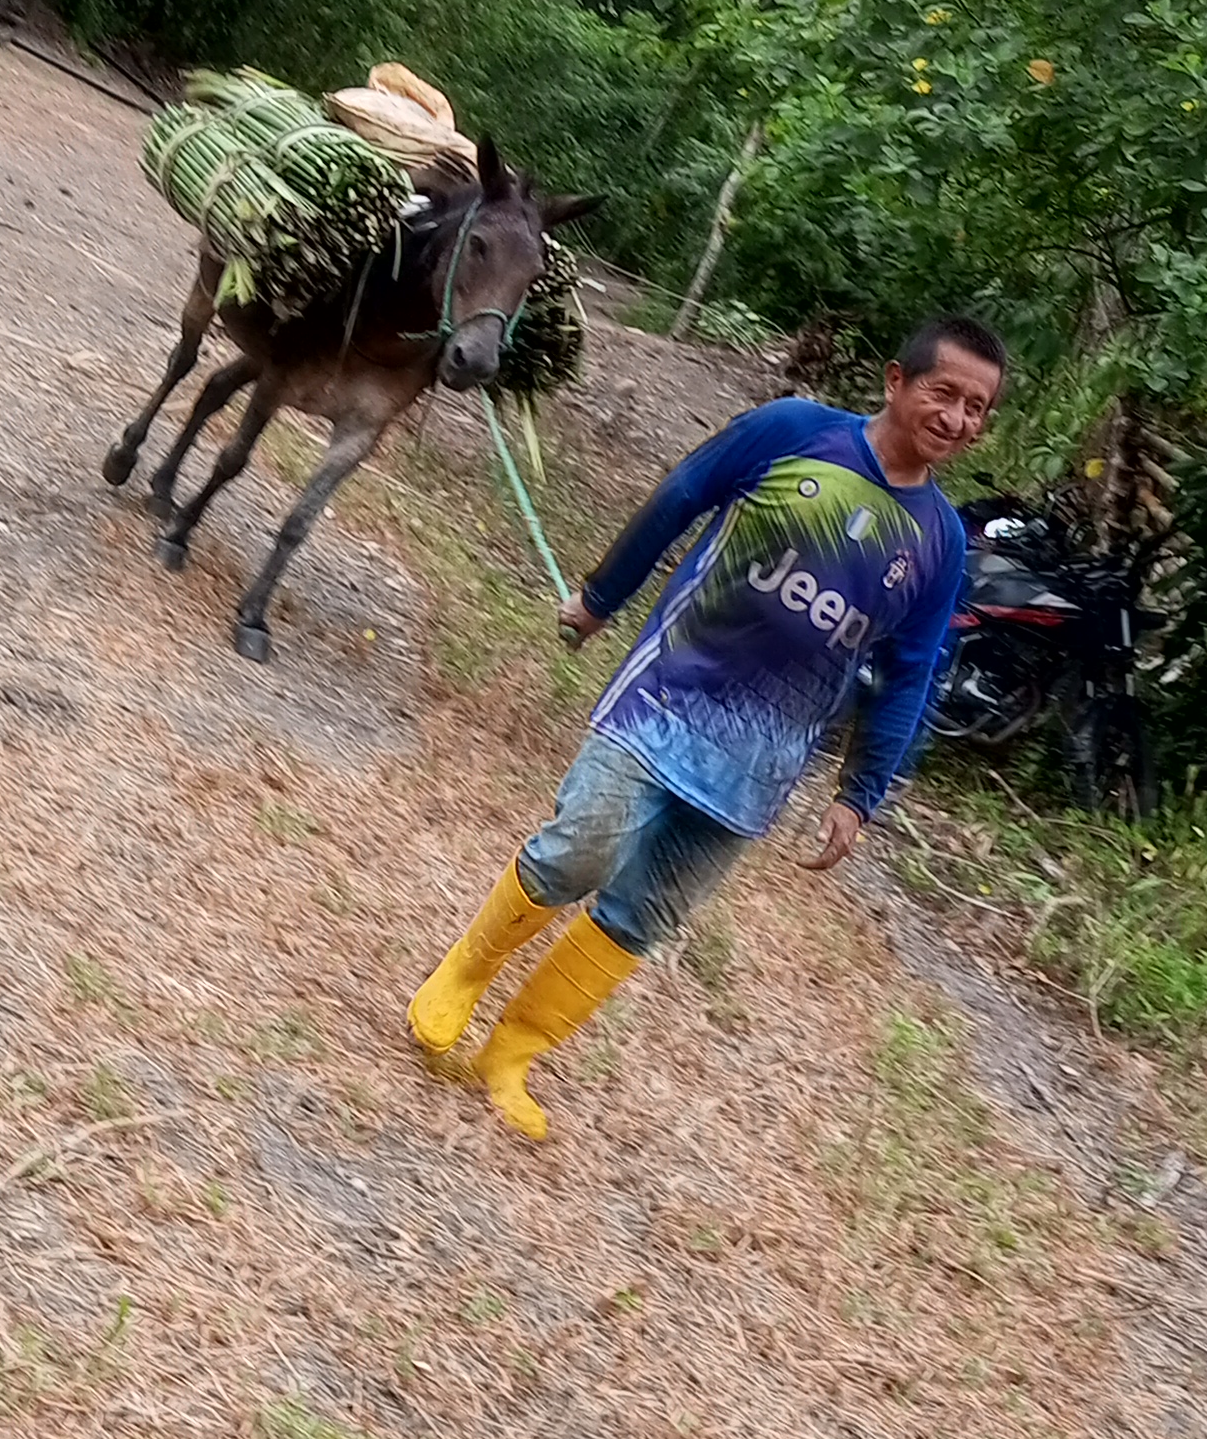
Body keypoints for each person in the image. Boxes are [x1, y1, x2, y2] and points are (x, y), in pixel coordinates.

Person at [407, 315, 1007, 1140]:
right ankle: (464, 974)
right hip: (667, 697)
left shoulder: (938, 542)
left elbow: (912, 672)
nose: (958, 419)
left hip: (761, 764)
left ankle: (511, 1055)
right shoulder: (793, 432)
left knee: (642, 914)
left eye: (978, 409)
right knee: (580, 850)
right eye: (945, 394)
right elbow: (681, 494)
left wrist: (861, 795)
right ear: (896, 381)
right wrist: (600, 598)